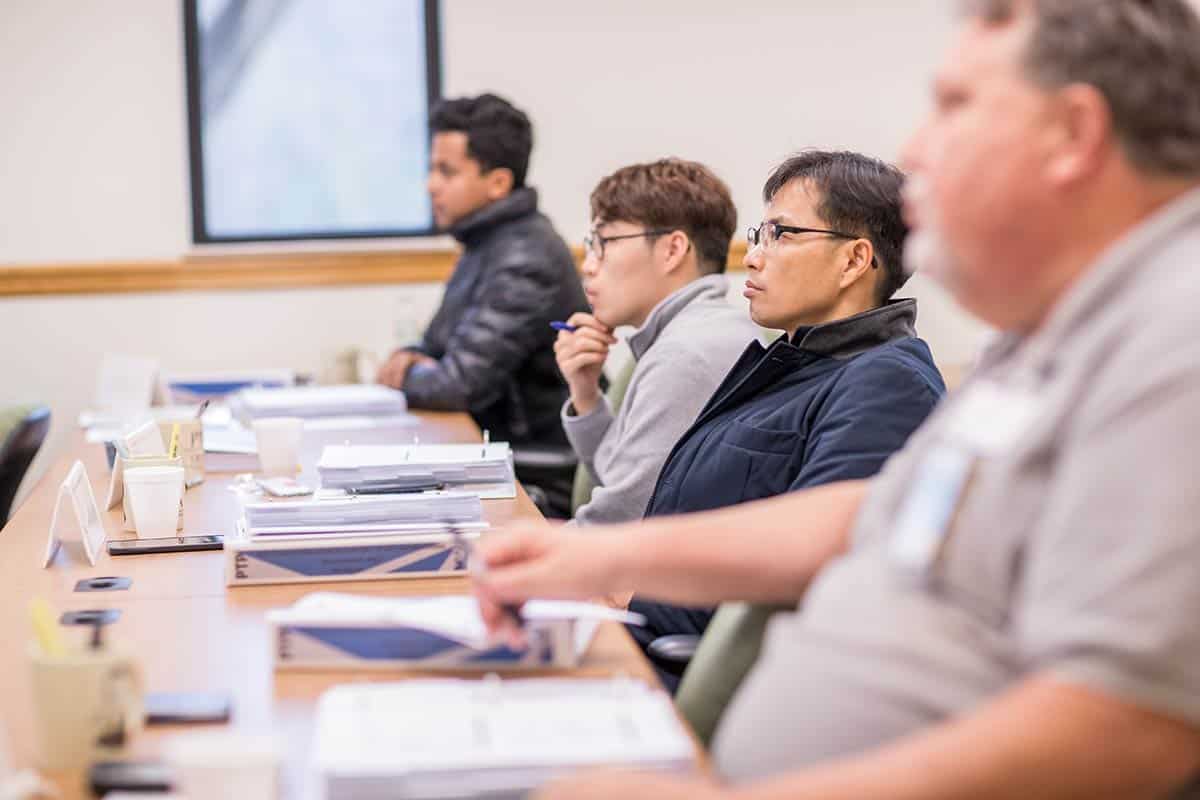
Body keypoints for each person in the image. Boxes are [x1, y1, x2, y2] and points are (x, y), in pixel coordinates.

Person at [475, 0, 1200, 796]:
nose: (919, 146)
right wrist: (596, 555)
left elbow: (1130, 728)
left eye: (955, 106)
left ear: (1075, 134)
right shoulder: (1048, 334)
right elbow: (879, 512)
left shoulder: (1174, 337)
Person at [626, 151, 944, 683]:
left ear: (853, 261)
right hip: (641, 629)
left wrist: (612, 564)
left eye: (782, 235)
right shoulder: (802, 361)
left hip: (676, 671)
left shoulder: (886, 383)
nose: (752, 257)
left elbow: (810, 564)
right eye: (759, 234)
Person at [376, 93, 587, 460]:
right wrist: (412, 358)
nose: (431, 185)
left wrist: (402, 374)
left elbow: (457, 385)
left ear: (498, 183)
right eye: (432, 169)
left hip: (529, 466)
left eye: (447, 171)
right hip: (482, 448)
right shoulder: (485, 243)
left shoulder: (525, 255)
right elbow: (437, 349)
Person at [557, 158, 758, 526]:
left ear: (672, 250)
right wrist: (585, 392)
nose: (588, 264)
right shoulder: (696, 330)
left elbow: (619, 522)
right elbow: (619, 480)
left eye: (605, 241)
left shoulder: (686, 353)